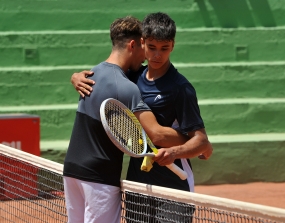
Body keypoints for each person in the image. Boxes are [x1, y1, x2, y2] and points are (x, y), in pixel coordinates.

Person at [63, 15, 190, 223]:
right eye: (144, 47)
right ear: (133, 44)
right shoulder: (127, 88)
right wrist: (197, 141)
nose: (147, 56)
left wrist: (73, 76)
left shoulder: (89, 75)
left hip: (71, 171)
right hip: (99, 177)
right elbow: (156, 133)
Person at [71, 12, 213, 193]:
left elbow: (200, 140)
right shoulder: (131, 77)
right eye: (152, 47)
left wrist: (174, 152)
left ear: (173, 46)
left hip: (173, 185)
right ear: (142, 42)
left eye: (164, 48)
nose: (157, 55)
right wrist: (75, 77)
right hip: (137, 183)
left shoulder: (181, 88)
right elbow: (103, 78)